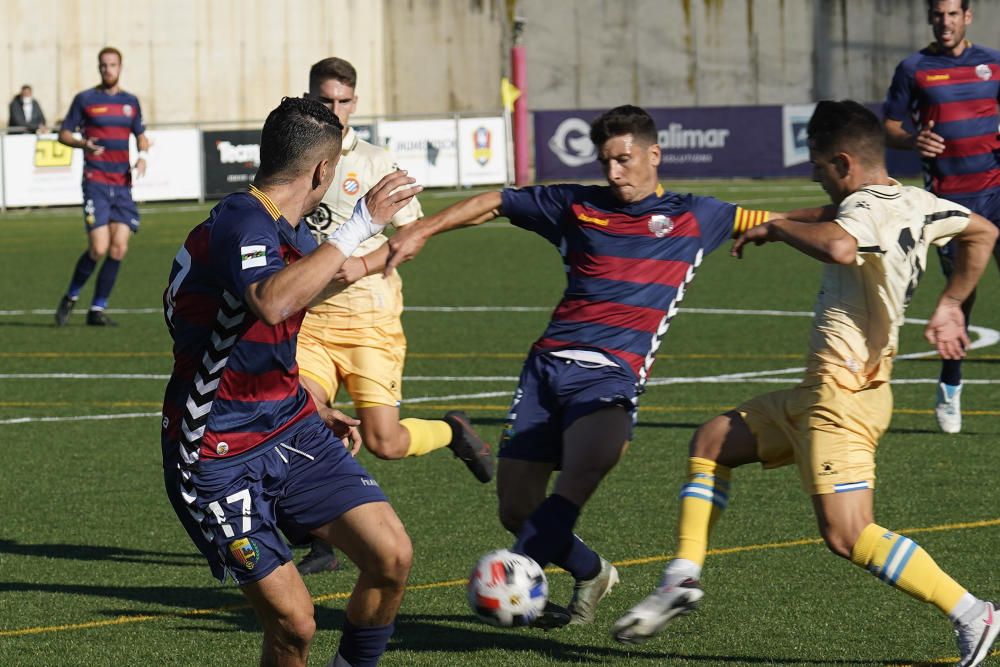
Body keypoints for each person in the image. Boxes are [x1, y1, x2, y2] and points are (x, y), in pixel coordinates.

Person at [613, 101, 999, 667]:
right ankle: (682, 577)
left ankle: (973, 612)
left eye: (819, 167)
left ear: (843, 162)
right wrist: (949, 303)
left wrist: (784, 230)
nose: (817, 176)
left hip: (843, 397)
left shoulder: (862, 211)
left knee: (848, 535)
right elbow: (982, 230)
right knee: (713, 441)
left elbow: (842, 242)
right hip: (817, 393)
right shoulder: (916, 201)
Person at [383, 104, 784, 627]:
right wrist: (423, 231)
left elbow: (781, 221)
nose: (615, 173)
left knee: (580, 475)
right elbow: (496, 202)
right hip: (546, 369)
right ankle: (592, 571)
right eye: (606, 162)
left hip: (611, 375)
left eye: (624, 159)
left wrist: (864, 211)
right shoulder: (575, 205)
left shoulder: (698, 215)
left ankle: (519, 566)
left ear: (653, 155)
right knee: (516, 508)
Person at [162, 96, 420, 666]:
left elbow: (273, 325)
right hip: (217, 449)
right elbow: (272, 303)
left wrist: (307, 400)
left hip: (290, 423)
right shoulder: (242, 219)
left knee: (390, 555)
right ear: (325, 172)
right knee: (295, 625)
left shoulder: (288, 230)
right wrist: (361, 225)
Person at [292, 57, 494, 577]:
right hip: (310, 323)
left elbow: (410, 239)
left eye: (342, 101)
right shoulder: (296, 158)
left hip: (370, 322)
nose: (333, 109)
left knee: (385, 442)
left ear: (354, 103)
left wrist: (360, 264)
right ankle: (321, 538)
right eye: (324, 100)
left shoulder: (379, 163)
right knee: (304, 417)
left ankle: (452, 431)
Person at [883, 0, 1000, 433]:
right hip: (950, 204)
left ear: (967, 17)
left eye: (953, 14)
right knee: (961, 299)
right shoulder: (914, 68)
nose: (945, 22)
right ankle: (951, 387)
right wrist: (914, 140)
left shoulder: (993, 63)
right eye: (938, 14)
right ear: (931, 18)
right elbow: (889, 127)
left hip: (997, 190)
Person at [54, 47, 149, 327]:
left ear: (120, 67)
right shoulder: (85, 100)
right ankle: (71, 296)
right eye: (104, 65)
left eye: (113, 65)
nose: (108, 69)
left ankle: (97, 309)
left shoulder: (130, 102)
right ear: (99, 68)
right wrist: (83, 143)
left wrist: (142, 156)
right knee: (99, 247)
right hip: (95, 181)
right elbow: (63, 134)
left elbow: (141, 136)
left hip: (122, 184)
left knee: (119, 248)